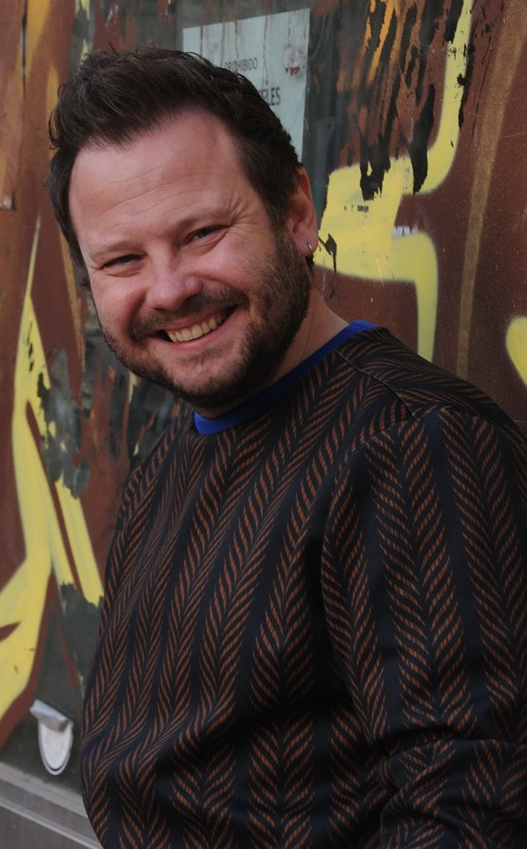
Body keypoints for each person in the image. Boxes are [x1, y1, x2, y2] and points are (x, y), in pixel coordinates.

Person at [47, 46, 527, 848]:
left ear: (297, 213)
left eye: (202, 233)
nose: (169, 288)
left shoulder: (413, 444)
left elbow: (471, 810)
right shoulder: (174, 451)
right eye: (123, 259)